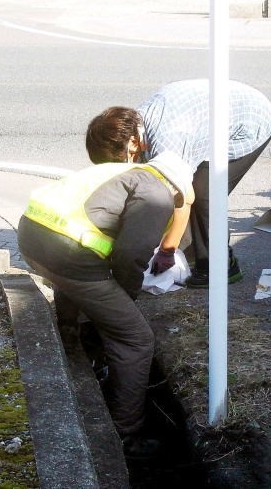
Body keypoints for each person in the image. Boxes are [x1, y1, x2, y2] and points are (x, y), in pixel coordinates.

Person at [17, 156, 193, 457]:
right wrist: (126, 298)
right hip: (68, 254)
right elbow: (131, 255)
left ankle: (73, 339)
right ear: (179, 192)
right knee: (135, 339)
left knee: (79, 284)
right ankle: (125, 436)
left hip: (32, 240)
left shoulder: (121, 171)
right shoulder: (157, 194)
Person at [85, 79, 271, 288]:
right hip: (209, 115)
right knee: (173, 182)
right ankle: (191, 251)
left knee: (204, 194)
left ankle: (218, 267)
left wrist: (167, 251)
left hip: (248, 121)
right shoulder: (133, 128)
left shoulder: (168, 140)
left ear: (131, 142)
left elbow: (183, 198)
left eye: (119, 159)